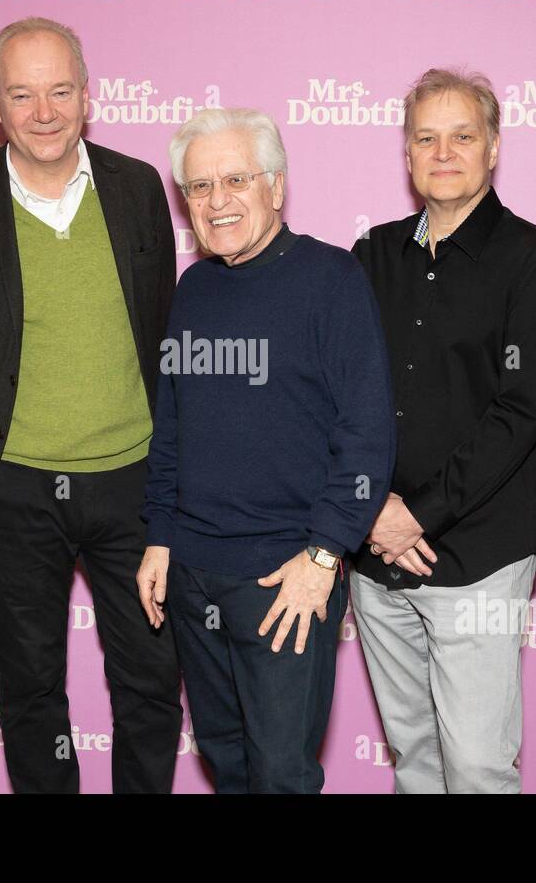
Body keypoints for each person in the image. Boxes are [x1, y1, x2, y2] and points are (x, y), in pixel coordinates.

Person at [0, 16, 181, 793]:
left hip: (135, 483)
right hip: (16, 490)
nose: (43, 112)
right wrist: (13, 429)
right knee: (32, 693)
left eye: (59, 91)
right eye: (23, 94)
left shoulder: (136, 189)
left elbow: (160, 324)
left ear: (88, 96)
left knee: (151, 682)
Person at [137, 107, 395, 793]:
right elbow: (173, 426)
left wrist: (323, 555)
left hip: (286, 580)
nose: (216, 202)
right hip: (193, 575)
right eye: (197, 187)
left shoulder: (332, 280)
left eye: (235, 180)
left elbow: (369, 436)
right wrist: (160, 537)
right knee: (226, 765)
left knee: (281, 775)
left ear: (275, 187)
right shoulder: (194, 288)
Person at [351, 68, 536, 793]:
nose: (443, 152)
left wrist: (415, 514)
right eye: (426, 137)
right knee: (414, 760)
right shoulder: (371, 256)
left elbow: (517, 414)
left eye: (462, 135)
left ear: (493, 148)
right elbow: (340, 397)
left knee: (477, 766)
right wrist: (375, 510)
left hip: (477, 556)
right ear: (407, 153)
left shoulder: (534, 262)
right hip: (375, 555)